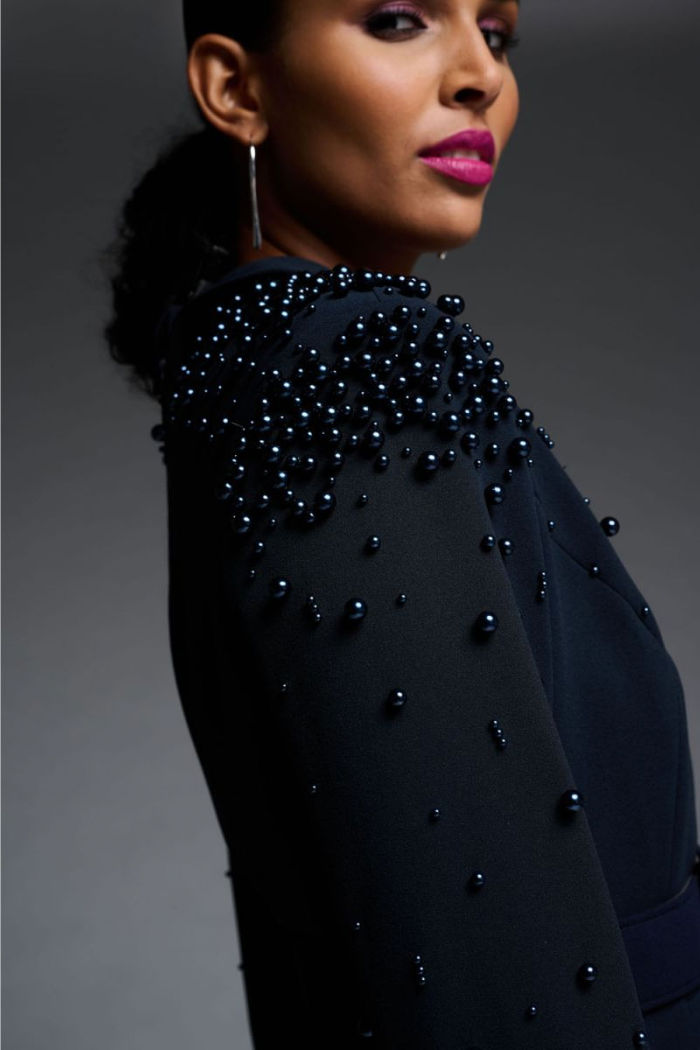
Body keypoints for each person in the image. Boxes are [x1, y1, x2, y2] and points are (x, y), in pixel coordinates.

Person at [102, 2, 700, 1047]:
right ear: (236, 89)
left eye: (497, 34)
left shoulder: (254, 360)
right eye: (398, 20)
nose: (480, 75)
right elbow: (490, 953)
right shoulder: (351, 360)